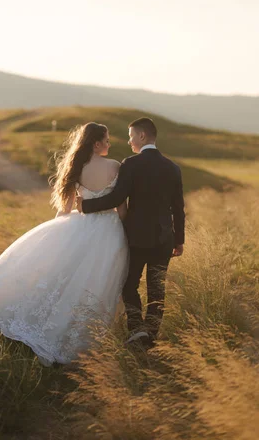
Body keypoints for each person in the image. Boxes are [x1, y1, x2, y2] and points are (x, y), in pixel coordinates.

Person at [0, 122, 128, 366]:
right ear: (97, 143)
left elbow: (65, 210)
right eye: (108, 140)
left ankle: (36, 322)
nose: (110, 145)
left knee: (62, 279)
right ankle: (81, 340)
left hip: (79, 227)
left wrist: (57, 235)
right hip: (109, 232)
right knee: (95, 284)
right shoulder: (114, 167)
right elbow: (121, 207)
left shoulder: (75, 166)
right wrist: (127, 230)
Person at [77, 117, 185, 348]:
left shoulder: (131, 164)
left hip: (136, 238)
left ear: (142, 136)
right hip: (164, 238)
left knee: (129, 285)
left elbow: (117, 198)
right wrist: (179, 240)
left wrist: (85, 206)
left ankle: (136, 329)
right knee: (157, 288)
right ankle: (150, 336)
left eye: (131, 136)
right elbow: (178, 209)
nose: (129, 141)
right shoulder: (172, 168)